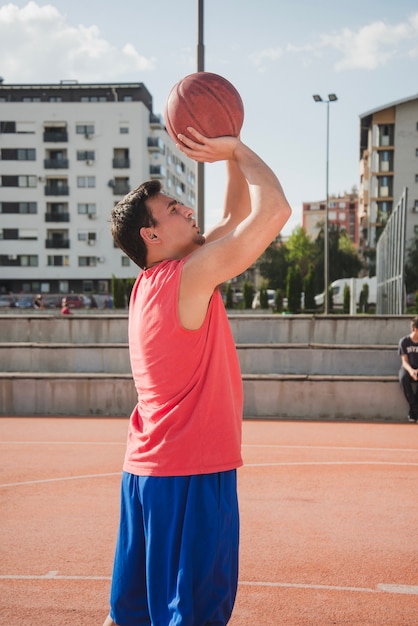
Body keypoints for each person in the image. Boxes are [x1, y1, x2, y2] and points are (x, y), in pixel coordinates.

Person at [103, 127, 291, 626]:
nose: (188, 210)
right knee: (194, 613)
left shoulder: (151, 283)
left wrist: (224, 144)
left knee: (133, 612)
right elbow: (272, 212)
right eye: (173, 210)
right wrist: (237, 150)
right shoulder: (189, 277)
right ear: (152, 235)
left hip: (145, 473)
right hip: (191, 470)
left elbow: (231, 218)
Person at [398, 316, 418, 423]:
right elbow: (404, 361)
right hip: (408, 367)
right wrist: (411, 371)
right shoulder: (404, 341)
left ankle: (413, 412)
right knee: (403, 378)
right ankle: (415, 408)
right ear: (415, 329)